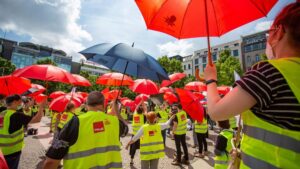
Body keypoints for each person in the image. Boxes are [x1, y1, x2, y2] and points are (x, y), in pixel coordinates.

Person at [204, 2, 300, 168]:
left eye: (269, 32)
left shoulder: (268, 73)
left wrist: (211, 79)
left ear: (279, 32)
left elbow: (216, 112)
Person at [43, 91, 123, 169]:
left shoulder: (75, 122)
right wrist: (116, 109)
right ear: (104, 104)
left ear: (86, 104)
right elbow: (125, 127)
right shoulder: (115, 122)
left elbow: (51, 161)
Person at [0, 94, 45, 169]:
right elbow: (37, 119)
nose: (21, 103)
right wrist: (41, 106)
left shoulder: (2, 112)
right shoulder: (16, 115)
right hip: (11, 151)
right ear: (15, 102)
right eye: (20, 101)